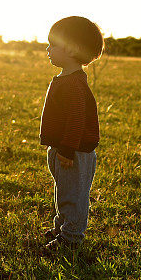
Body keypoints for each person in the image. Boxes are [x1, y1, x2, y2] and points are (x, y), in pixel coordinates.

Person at [39, 16, 104, 252]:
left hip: (73, 151)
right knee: (63, 190)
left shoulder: (74, 84)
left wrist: (66, 149)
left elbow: (76, 120)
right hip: (63, 149)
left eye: (53, 44)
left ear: (72, 49)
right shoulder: (66, 79)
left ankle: (71, 238)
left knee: (73, 195)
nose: (48, 49)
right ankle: (62, 228)